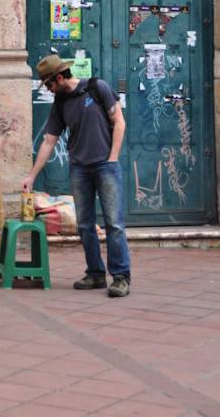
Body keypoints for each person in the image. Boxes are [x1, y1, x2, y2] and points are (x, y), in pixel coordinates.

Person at [22, 55, 131, 297]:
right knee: (84, 225)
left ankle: (121, 276)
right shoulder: (60, 103)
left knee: (114, 224)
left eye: (48, 85)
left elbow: (119, 121)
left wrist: (112, 157)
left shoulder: (96, 88)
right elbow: (49, 141)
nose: (49, 90)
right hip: (79, 168)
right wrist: (31, 176)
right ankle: (95, 273)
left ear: (59, 78)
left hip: (105, 166)